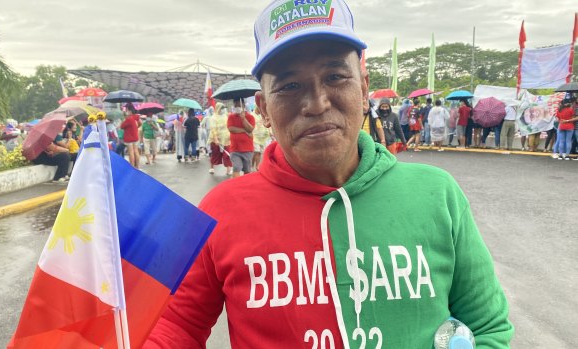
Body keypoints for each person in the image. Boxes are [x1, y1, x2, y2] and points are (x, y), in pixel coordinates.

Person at [144, 0, 514, 347]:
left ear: (364, 87)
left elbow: (488, 326)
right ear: (264, 108)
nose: (317, 103)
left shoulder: (437, 194)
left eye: (336, 76)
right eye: (289, 86)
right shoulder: (221, 210)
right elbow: (175, 325)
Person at [227, 99, 255, 177]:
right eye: (235, 105)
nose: (237, 107)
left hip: (247, 149)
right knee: (236, 167)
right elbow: (231, 129)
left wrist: (243, 119)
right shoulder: (231, 117)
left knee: (247, 171)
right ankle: (236, 187)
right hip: (235, 149)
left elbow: (250, 129)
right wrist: (244, 130)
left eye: (239, 105)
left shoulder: (250, 117)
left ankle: (246, 187)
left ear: (243, 105)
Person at [208, 102, 233, 175]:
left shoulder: (225, 116)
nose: (222, 110)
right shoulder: (213, 118)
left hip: (226, 139)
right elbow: (213, 129)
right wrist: (215, 139)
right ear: (218, 108)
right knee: (215, 154)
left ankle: (228, 170)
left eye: (223, 108)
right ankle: (212, 168)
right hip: (216, 139)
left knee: (227, 155)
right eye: (221, 108)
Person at [119, 103, 141, 169]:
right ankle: (137, 166)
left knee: (131, 152)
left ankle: (132, 166)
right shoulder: (136, 117)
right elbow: (140, 123)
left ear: (129, 110)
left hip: (129, 137)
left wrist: (124, 119)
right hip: (135, 136)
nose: (126, 111)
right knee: (136, 151)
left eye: (126, 110)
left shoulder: (129, 119)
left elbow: (121, 126)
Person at [251, 106, 271, 171]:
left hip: (262, 137)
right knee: (256, 151)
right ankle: (252, 165)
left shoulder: (262, 115)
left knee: (260, 152)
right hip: (254, 137)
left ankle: (257, 166)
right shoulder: (252, 115)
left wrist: (269, 132)